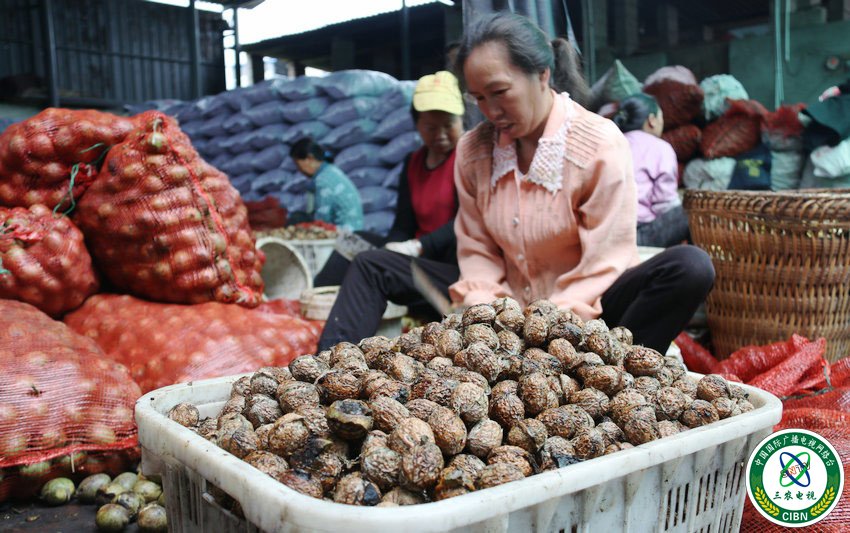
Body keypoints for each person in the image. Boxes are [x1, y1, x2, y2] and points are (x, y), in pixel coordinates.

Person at [449, 12, 715, 354]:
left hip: (596, 313)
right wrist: (488, 323)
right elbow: (478, 251)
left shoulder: (598, 143)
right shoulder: (473, 151)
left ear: (542, 74)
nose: (490, 110)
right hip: (512, 325)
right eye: (478, 98)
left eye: (499, 92)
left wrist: (549, 331)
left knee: (690, 267)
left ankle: (620, 374)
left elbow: (604, 262)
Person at [316, 71, 465, 350]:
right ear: (417, 125)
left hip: (448, 268)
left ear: (462, 120)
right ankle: (313, 308)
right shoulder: (413, 162)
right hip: (414, 259)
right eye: (431, 127)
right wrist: (392, 246)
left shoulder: (466, 160)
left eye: (449, 125)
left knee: (369, 264)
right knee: (353, 241)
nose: (441, 135)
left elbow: (466, 222)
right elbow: (403, 223)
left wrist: (417, 247)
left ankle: (331, 358)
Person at [613, 93, 690, 248]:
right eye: (661, 117)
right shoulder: (659, 147)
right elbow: (664, 203)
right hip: (639, 236)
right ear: (652, 121)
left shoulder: (610, 142)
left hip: (605, 235)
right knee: (692, 214)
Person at [288, 138, 363, 231]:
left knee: (296, 220)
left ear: (310, 158)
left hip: (345, 236)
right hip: (355, 229)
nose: (299, 170)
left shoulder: (323, 180)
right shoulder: (330, 171)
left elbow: (322, 219)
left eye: (298, 165)